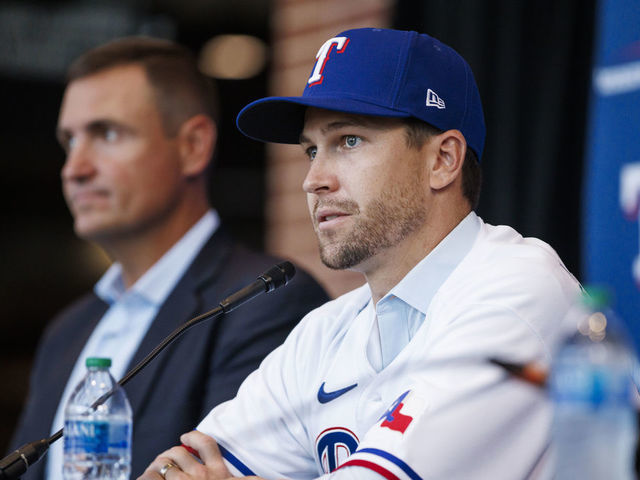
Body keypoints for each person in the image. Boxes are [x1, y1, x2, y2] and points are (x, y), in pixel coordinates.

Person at [140, 28, 582, 480]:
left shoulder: (519, 290)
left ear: (443, 159)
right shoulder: (324, 332)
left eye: (348, 141)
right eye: (311, 149)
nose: (313, 179)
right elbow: (175, 470)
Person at [9, 37, 329, 480]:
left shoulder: (264, 302)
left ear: (193, 146)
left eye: (107, 133)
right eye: (69, 141)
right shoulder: (68, 331)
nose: (74, 168)